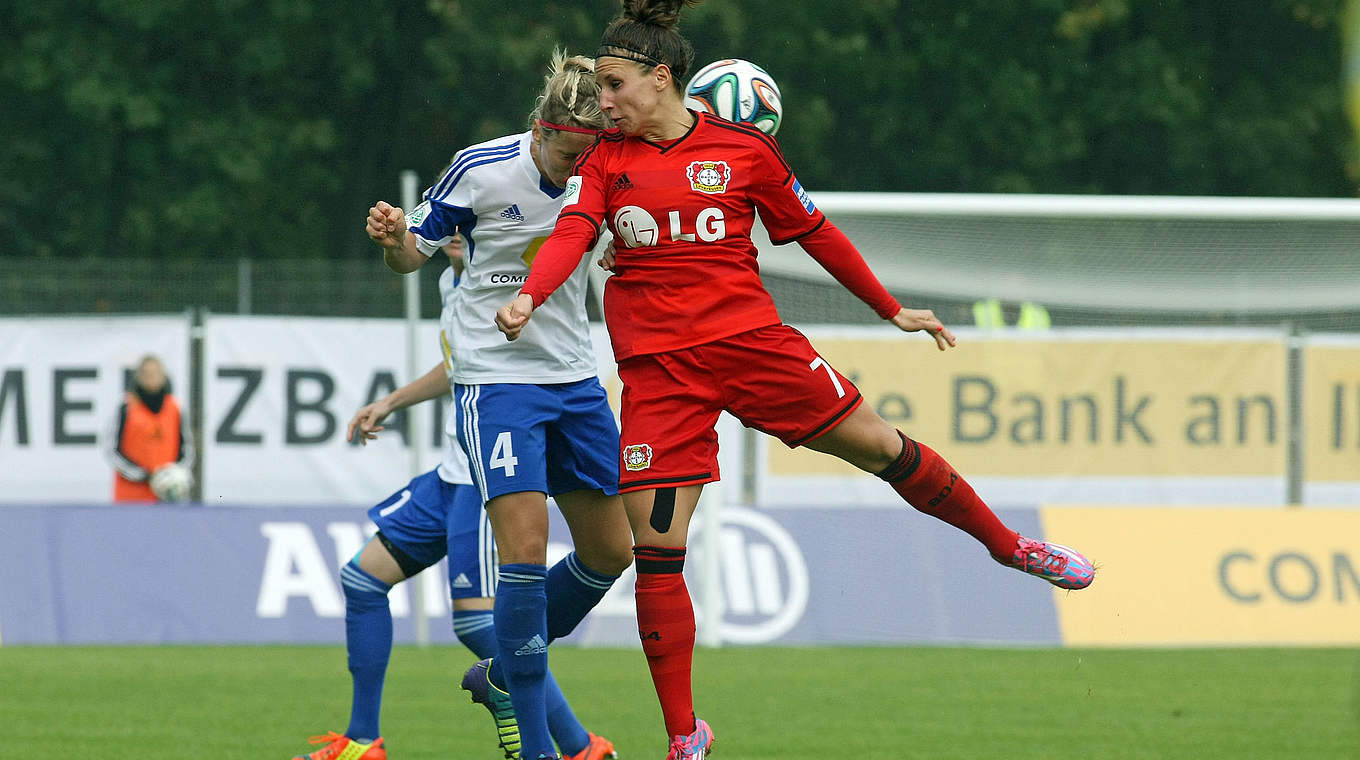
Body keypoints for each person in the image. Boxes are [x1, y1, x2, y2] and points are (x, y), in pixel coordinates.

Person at [494, 3, 1096, 758]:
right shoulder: (607, 163)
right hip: (661, 378)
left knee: (882, 447)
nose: (603, 101)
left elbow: (814, 231)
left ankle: (1009, 547)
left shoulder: (743, 151)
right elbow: (575, 234)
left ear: (660, 78)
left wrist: (889, 309)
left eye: (613, 85)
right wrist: (530, 294)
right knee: (656, 551)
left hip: (755, 350)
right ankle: (684, 737)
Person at [366, 50, 634, 760]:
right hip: (496, 378)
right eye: (568, 152)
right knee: (524, 553)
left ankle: (504, 672)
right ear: (541, 129)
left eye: (590, 154)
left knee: (612, 551)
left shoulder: (607, 169)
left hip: (575, 378)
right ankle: (544, 752)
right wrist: (396, 242)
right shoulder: (480, 168)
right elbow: (412, 257)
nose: (578, 169)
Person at [291, 241, 616, 760]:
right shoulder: (451, 284)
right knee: (363, 578)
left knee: (478, 624)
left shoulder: (513, 279)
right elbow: (458, 364)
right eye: (455, 226)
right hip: (448, 473)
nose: (460, 237)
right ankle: (362, 740)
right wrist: (392, 401)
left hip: (482, 475)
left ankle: (579, 746)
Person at [106, 354, 193, 503]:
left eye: (156, 373)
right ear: (138, 377)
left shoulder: (175, 407)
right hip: (131, 497)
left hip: (166, 496)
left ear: (164, 376)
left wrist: (172, 475)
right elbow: (111, 450)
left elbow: (187, 448)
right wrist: (145, 476)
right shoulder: (126, 407)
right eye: (147, 373)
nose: (151, 377)